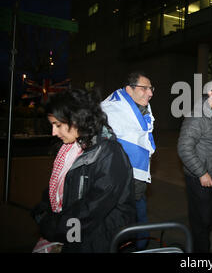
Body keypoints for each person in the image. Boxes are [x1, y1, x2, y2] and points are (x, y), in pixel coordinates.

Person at [31, 89, 136, 253]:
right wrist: (42, 210)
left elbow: (90, 210)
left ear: (77, 119)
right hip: (76, 233)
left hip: (98, 239)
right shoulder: (70, 148)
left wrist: (51, 226)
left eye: (58, 125)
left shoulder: (110, 154)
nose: (53, 132)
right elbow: (59, 186)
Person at [101, 71, 156, 250]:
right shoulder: (111, 111)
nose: (150, 93)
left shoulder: (144, 110)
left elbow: (143, 140)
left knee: (141, 229)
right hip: (116, 187)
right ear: (129, 90)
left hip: (137, 184)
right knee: (120, 231)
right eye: (145, 88)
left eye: (151, 88)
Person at [177, 78, 212, 253]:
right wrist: (202, 173)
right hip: (200, 179)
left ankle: (196, 245)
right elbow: (184, 147)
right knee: (201, 221)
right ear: (210, 93)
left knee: (211, 218)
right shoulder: (198, 115)